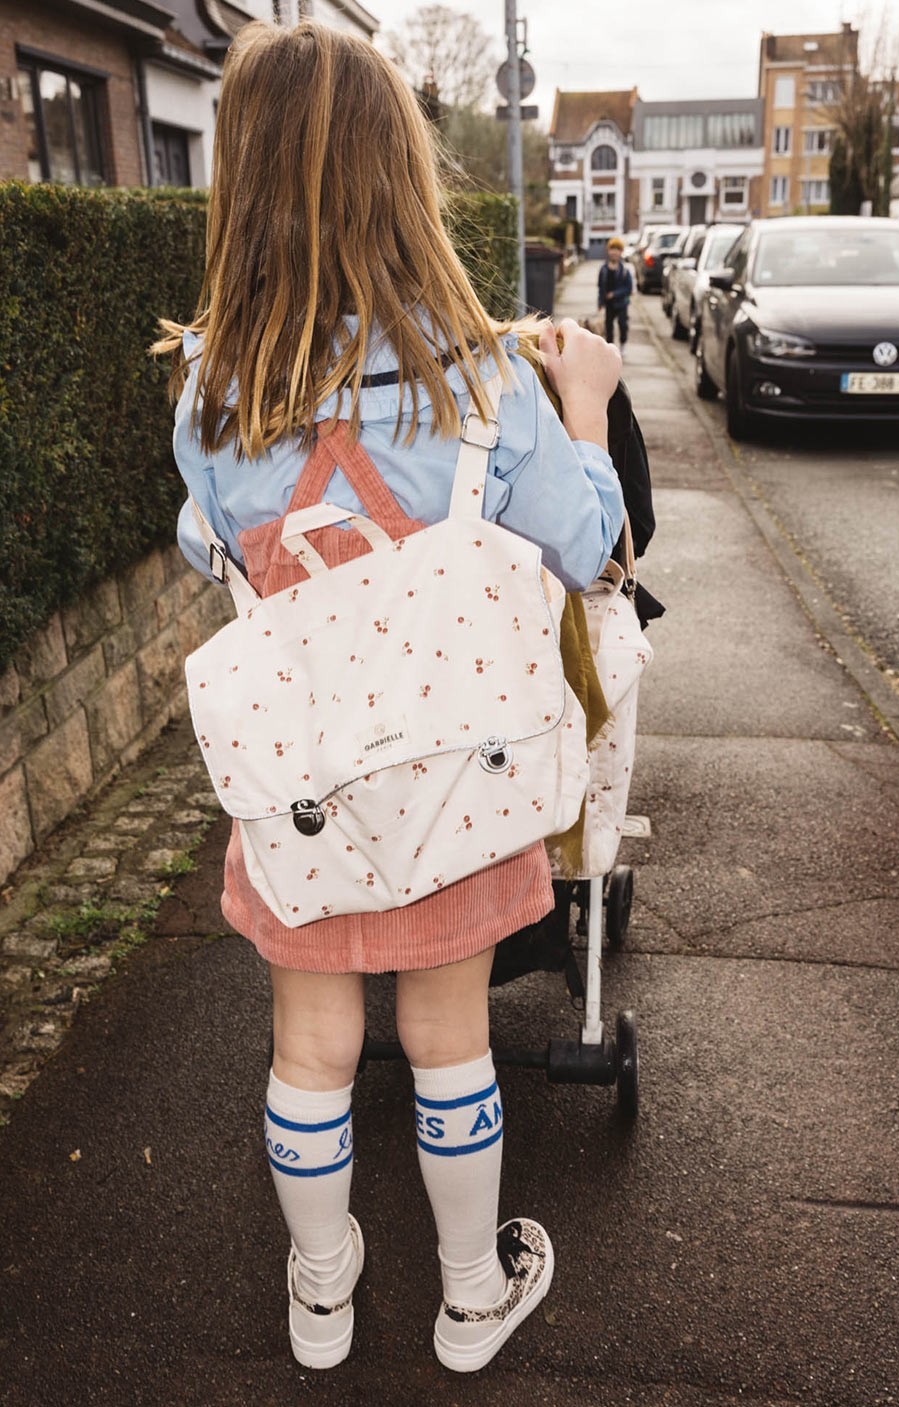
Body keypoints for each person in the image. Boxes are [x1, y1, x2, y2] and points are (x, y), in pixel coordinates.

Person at [154, 20, 624, 1376]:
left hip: (302, 773)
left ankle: (322, 1285)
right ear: (398, 174)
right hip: (456, 774)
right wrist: (581, 406)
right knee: (445, 1035)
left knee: (308, 1044)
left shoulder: (208, 385)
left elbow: (213, 544)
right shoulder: (482, 378)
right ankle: (471, 1293)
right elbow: (588, 545)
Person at [597, 236, 634, 348]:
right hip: (609, 304)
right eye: (612, 249)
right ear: (608, 251)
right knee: (609, 327)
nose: (614, 252)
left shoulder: (625, 270)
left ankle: (622, 344)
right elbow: (600, 287)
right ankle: (610, 348)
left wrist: (615, 294)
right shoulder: (603, 269)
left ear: (621, 252)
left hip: (622, 303)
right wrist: (600, 302)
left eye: (617, 250)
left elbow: (628, 288)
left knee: (623, 324)